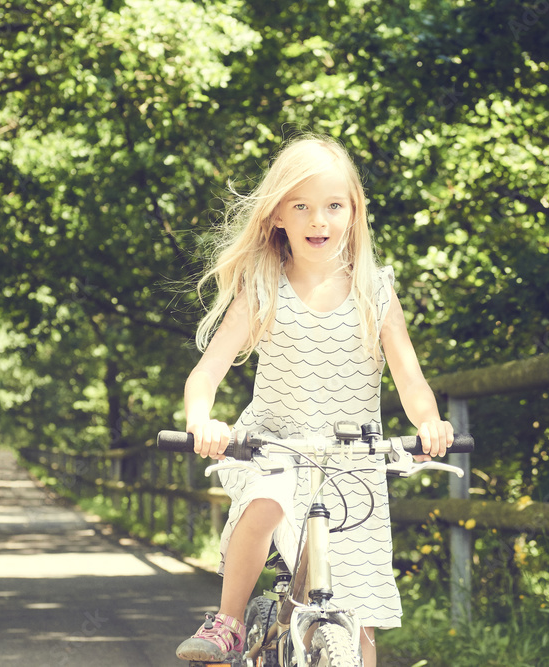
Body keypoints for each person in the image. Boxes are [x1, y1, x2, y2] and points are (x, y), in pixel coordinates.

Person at [175, 136, 454, 667]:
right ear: (278, 214)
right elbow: (206, 372)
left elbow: (410, 379)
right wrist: (201, 419)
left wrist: (429, 423)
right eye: (300, 206)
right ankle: (229, 621)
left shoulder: (375, 290)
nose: (317, 219)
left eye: (333, 205)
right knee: (268, 500)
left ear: (354, 212)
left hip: (353, 459)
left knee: (359, 618)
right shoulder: (263, 287)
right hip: (273, 446)